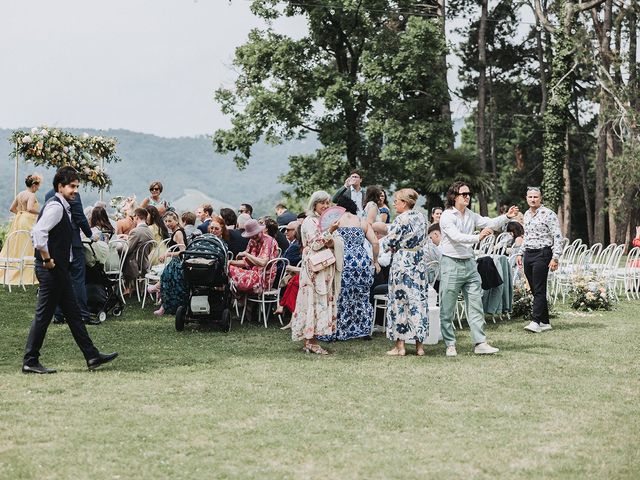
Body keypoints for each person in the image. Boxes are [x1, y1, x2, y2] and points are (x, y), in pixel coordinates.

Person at [22, 166, 118, 374]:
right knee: (43, 316)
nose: (75, 190)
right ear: (60, 186)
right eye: (72, 186)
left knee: (73, 314)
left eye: (76, 186)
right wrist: (47, 260)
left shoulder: (63, 205)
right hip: (52, 269)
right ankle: (30, 360)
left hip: (60, 270)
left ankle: (92, 356)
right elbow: (38, 233)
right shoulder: (56, 207)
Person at [439, 181, 519, 356]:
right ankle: (450, 344)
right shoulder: (446, 216)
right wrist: (478, 238)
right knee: (447, 307)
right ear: (454, 196)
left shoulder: (471, 215)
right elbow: (455, 236)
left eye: (469, 194)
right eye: (464, 194)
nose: (468, 197)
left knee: (476, 304)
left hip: (469, 263)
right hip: (450, 263)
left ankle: (480, 343)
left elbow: (489, 222)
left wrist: (507, 216)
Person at [320, 196, 378, 341]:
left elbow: (327, 241)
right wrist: (375, 261)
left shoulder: (336, 221)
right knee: (362, 297)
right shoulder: (361, 221)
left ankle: (339, 329)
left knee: (341, 296)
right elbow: (375, 242)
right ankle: (364, 331)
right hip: (362, 263)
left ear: (339, 207)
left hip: (343, 261)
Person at [381, 189, 429, 356]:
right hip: (419, 263)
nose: (394, 204)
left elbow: (389, 242)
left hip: (402, 262)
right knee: (418, 302)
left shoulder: (401, 219)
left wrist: (387, 245)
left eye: (396, 201)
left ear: (404, 202)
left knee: (400, 303)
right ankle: (420, 347)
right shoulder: (422, 218)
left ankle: (400, 346)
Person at [45, 177, 97, 325]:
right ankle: (83, 315)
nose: (75, 189)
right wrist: (90, 234)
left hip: (57, 244)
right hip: (73, 241)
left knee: (60, 278)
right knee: (78, 279)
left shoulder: (48, 195)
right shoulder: (74, 195)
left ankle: (59, 315)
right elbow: (79, 217)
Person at [291, 191, 338, 355]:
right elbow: (315, 244)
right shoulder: (310, 221)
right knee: (312, 299)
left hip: (322, 266)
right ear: (314, 204)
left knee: (318, 300)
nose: (325, 206)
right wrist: (330, 231)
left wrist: (331, 236)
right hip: (314, 267)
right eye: (322, 203)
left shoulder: (320, 221)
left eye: (327, 203)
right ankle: (310, 341)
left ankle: (312, 339)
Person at [516, 187, 563, 333]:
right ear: (526, 198)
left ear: (540, 198)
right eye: (530, 197)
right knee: (534, 288)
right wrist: (520, 253)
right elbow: (527, 236)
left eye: (535, 197)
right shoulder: (526, 214)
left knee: (539, 288)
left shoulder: (549, 214)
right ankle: (545, 321)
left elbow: (557, 236)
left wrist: (555, 257)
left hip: (542, 254)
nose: (533, 199)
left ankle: (535, 321)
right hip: (528, 253)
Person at [1, 174, 41, 286]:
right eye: (38, 185)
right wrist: (41, 213)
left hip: (19, 220)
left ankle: (13, 269)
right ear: (34, 185)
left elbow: (11, 208)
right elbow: (29, 208)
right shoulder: (31, 195)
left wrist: (20, 214)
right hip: (28, 220)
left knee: (18, 244)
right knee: (28, 245)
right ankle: (25, 273)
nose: (38, 188)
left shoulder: (20, 194)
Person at [151, 211, 187, 316]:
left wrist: (167, 254)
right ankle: (158, 290)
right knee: (167, 274)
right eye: (166, 221)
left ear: (176, 221)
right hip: (175, 262)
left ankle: (157, 287)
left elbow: (183, 250)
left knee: (168, 276)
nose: (168, 223)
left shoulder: (178, 233)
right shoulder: (175, 231)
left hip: (180, 263)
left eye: (170, 221)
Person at [228, 219, 278, 293]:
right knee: (227, 268)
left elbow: (263, 263)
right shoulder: (252, 241)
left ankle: (238, 296)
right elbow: (247, 262)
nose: (253, 236)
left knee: (232, 275)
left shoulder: (268, 240)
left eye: (255, 233)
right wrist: (230, 262)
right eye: (251, 235)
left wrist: (246, 254)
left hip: (264, 278)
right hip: (253, 274)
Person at [123, 208, 154, 294]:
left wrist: (120, 244)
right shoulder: (149, 230)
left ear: (136, 217)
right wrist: (128, 238)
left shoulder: (135, 231)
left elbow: (127, 250)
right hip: (144, 261)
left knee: (119, 255)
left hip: (135, 263)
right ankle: (131, 287)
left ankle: (125, 288)